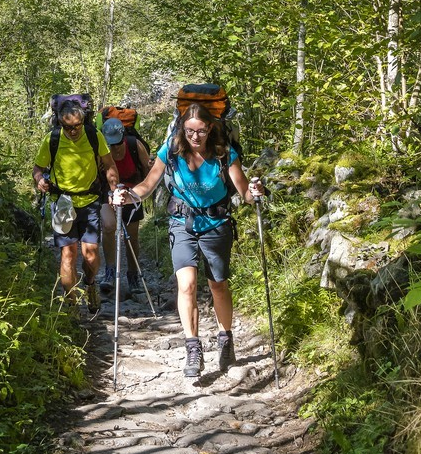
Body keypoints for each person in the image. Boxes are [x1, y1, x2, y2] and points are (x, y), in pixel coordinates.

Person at [113, 102, 264, 377]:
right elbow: (147, 186)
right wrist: (128, 195)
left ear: (211, 129)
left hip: (216, 223)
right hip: (182, 223)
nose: (195, 137)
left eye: (202, 131)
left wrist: (255, 191)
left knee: (218, 285)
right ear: (182, 129)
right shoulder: (170, 151)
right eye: (190, 131)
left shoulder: (223, 154)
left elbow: (244, 192)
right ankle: (193, 348)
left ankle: (225, 337)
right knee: (187, 285)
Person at [33, 102, 119, 318]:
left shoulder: (93, 135)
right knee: (68, 254)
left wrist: (113, 188)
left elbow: (109, 164)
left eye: (77, 126)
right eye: (68, 127)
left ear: (83, 122)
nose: (73, 131)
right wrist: (39, 180)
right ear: (60, 123)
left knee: (90, 255)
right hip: (62, 203)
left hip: (90, 201)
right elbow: (38, 168)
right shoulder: (52, 139)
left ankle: (90, 285)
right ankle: (71, 306)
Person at [99, 115, 149, 298]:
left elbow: (147, 169)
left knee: (132, 236)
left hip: (133, 193)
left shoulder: (134, 145)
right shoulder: (100, 149)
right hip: (108, 193)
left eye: (117, 143)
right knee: (109, 226)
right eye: (110, 144)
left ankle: (133, 274)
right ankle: (110, 271)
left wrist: (143, 192)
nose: (114, 147)